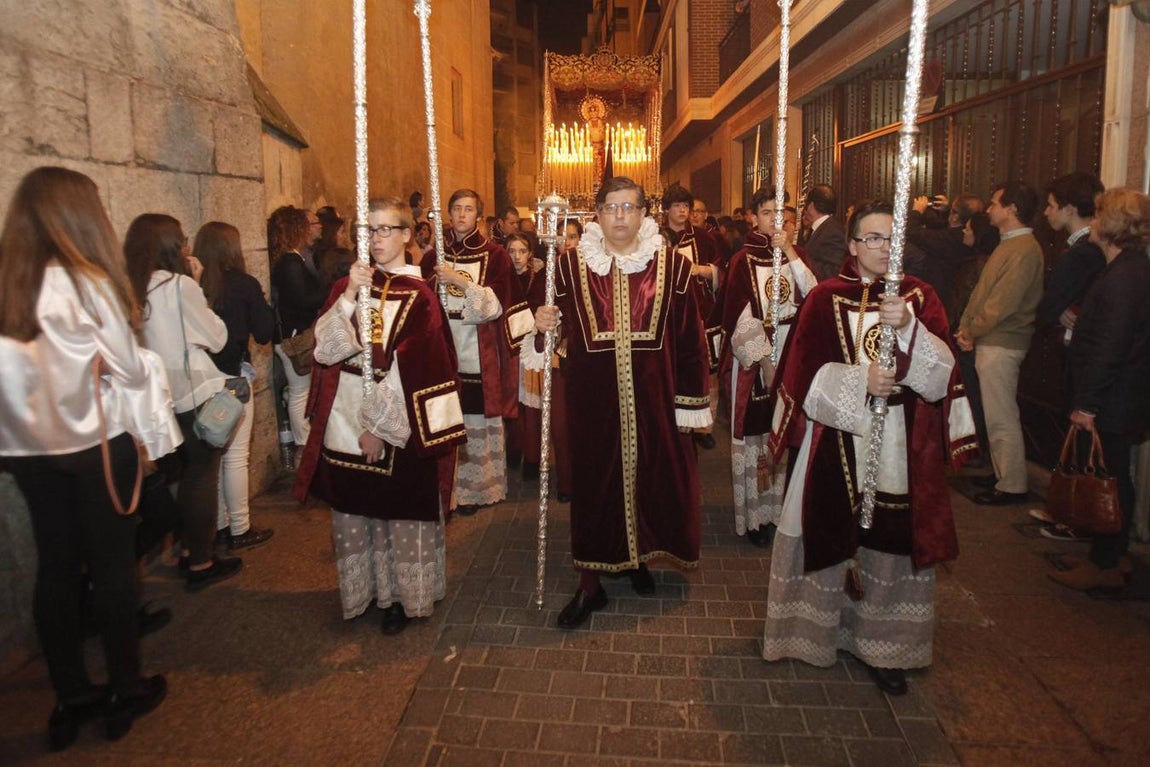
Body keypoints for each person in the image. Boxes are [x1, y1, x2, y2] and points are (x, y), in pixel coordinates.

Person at [763, 200, 974, 695]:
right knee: (830, 528)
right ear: (853, 246)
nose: (883, 248)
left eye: (891, 238)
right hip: (837, 438)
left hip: (901, 439)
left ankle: (885, 647)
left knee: (890, 540)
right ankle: (818, 633)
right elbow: (803, 377)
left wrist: (908, 329)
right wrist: (859, 382)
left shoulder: (922, 298)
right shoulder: (825, 298)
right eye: (872, 238)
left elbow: (944, 376)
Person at [0, 167, 168, 748]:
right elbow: (128, 365)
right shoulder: (86, 281)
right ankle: (126, 686)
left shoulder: (8, 283)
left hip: (26, 448)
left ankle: (71, 697)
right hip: (94, 442)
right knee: (113, 563)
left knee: (55, 568)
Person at [527, 176, 712, 629]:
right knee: (596, 491)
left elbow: (691, 339)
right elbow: (535, 325)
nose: (620, 217)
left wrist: (690, 404)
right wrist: (542, 321)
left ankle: (638, 561)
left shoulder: (673, 266)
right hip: (593, 405)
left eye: (629, 208)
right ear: (598, 214)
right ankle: (591, 585)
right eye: (611, 208)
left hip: (655, 404)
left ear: (644, 213)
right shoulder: (568, 266)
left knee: (651, 485)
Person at [294, 197, 466, 634]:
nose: (377, 239)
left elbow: (417, 366)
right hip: (343, 416)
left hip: (395, 422)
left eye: (387, 229)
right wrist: (350, 293)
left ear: (408, 235)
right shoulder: (345, 287)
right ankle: (366, 590)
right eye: (369, 231)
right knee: (356, 505)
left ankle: (400, 598)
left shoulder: (420, 296)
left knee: (395, 508)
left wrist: (378, 427)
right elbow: (327, 349)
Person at [125, 214, 243, 590]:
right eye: (183, 240)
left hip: (157, 402)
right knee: (201, 478)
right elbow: (217, 336)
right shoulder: (179, 285)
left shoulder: (128, 286)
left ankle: (180, 552)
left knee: (177, 475)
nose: (188, 247)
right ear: (172, 247)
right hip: (194, 395)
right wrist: (194, 286)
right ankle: (201, 562)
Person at [1047, 189, 1150, 591]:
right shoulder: (1127, 268)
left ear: (1111, 225)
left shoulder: (1126, 276)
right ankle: (1112, 552)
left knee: (1108, 477)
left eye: (1100, 214)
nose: (1091, 220)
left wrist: (1087, 404)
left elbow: (1112, 345)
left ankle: (1106, 564)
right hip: (1118, 396)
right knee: (1114, 474)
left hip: (1112, 398)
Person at [715, 187, 817, 547]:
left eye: (781, 213)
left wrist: (788, 251)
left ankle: (782, 513)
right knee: (757, 439)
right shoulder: (742, 260)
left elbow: (815, 296)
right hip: (756, 363)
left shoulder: (797, 255)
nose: (775, 219)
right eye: (767, 212)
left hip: (793, 353)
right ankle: (756, 517)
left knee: (787, 434)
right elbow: (738, 315)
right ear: (753, 217)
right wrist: (765, 364)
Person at [423, 188, 532, 516]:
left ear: (478, 215)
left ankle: (472, 491)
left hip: (476, 348)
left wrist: (461, 282)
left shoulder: (494, 255)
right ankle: (447, 487)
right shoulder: (433, 256)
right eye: (456, 208)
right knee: (444, 416)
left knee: (472, 418)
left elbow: (497, 305)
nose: (460, 215)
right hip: (442, 349)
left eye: (468, 209)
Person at [955, 181, 1045, 505]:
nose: (989, 209)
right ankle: (1001, 473)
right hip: (991, 339)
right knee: (995, 414)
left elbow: (1001, 303)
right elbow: (984, 293)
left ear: (1012, 209)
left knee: (1001, 415)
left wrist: (972, 330)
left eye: (995, 204)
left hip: (1003, 342)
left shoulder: (1023, 249)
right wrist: (967, 327)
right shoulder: (1008, 244)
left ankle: (1012, 484)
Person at [193, 222, 276, 551]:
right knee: (236, 457)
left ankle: (219, 525)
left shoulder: (192, 286)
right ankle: (239, 526)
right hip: (232, 381)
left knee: (212, 458)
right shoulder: (243, 284)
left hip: (199, 383)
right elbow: (265, 332)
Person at [661, 183, 724, 450]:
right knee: (670, 370)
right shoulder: (655, 237)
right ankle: (671, 422)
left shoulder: (704, 238)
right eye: (677, 206)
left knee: (706, 370)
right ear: (666, 210)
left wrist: (703, 270)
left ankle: (704, 426)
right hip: (666, 316)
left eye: (686, 206)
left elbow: (722, 268)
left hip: (701, 312)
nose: (683, 210)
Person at [269, 205, 327, 453]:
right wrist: (330, 289)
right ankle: (303, 442)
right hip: (294, 337)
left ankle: (306, 439)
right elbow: (302, 299)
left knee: (301, 389)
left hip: (297, 333)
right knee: (299, 391)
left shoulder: (292, 258)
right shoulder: (290, 261)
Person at [800, 183, 849, 281]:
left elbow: (835, 271)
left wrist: (801, 261)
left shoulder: (834, 232)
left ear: (811, 205)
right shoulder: (824, 227)